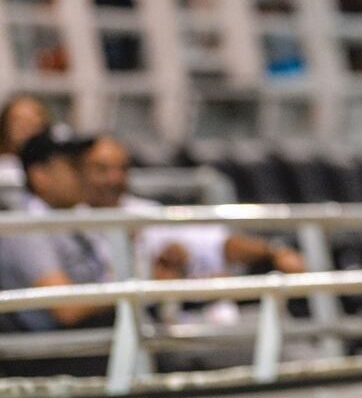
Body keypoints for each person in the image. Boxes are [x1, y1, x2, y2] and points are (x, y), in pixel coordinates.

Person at [80, 135, 304, 285]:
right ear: (78, 171)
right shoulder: (65, 219)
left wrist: (274, 251)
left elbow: (217, 243)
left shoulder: (144, 211)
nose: (115, 179)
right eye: (102, 170)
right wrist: (148, 280)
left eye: (122, 169)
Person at [0, 129, 114, 333]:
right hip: (51, 351)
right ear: (40, 175)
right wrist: (132, 289)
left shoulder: (74, 216)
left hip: (89, 336)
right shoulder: (26, 226)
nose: (86, 176)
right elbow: (66, 308)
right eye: (74, 167)